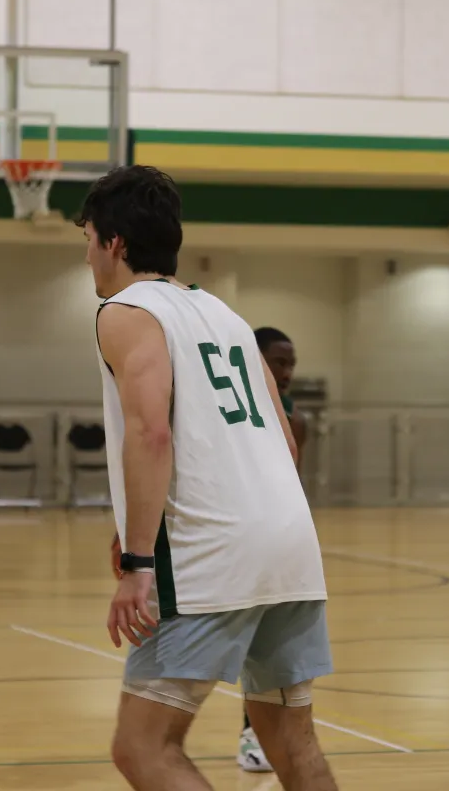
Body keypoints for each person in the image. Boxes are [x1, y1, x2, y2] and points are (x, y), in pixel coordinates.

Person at [79, 164, 337, 791]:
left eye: (86, 238)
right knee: (291, 740)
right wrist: (136, 523)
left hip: (211, 552)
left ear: (113, 242)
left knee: (143, 748)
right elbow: (284, 440)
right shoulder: (224, 313)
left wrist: (141, 559)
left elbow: (151, 434)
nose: (87, 254)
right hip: (291, 546)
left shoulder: (125, 311)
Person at [236, 326, 309, 772]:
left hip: (277, 546)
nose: (286, 372)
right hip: (229, 540)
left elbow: (295, 491)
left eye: (290, 364)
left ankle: (255, 735)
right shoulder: (232, 409)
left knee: (269, 648)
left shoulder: (295, 420)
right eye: (278, 362)